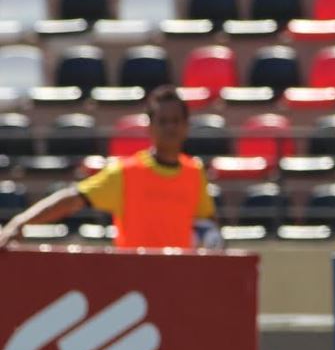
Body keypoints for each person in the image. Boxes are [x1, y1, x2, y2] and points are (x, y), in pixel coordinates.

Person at [0, 85, 217, 251]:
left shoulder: (194, 172)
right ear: (150, 127)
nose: (170, 127)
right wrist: (21, 221)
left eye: (176, 120)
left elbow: (207, 221)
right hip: (133, 282)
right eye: (163, 121)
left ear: (187, 126)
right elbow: (72, 199)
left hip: (179, 281)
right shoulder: (125, 172)